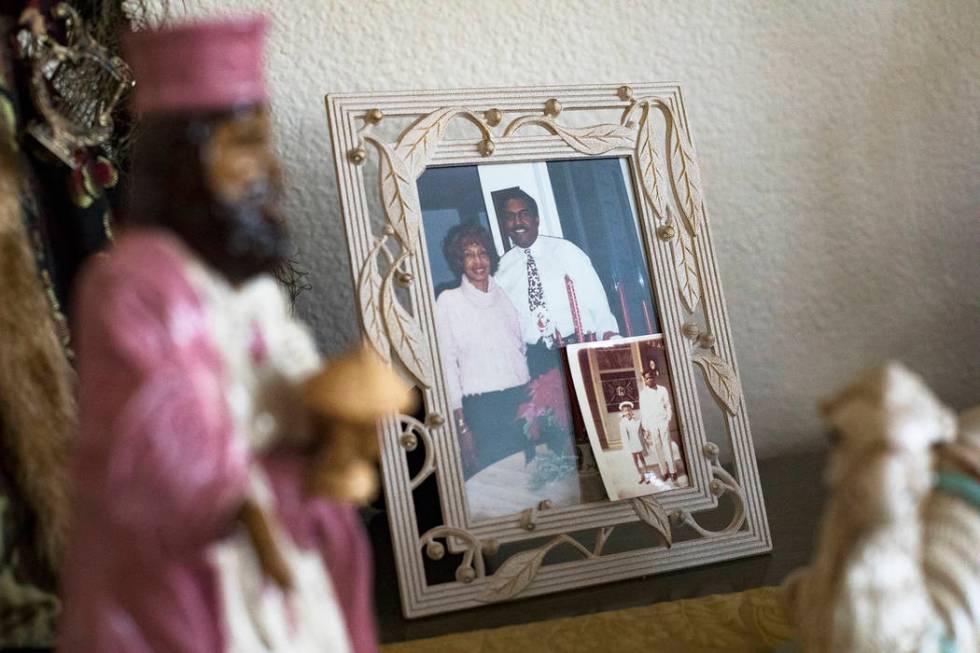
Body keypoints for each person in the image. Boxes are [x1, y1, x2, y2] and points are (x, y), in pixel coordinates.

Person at [60, 17, 376, 652]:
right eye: (245, 145)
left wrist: (330, 416)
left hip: (282, 527)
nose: (270, 172)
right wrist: (246, 506)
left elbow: (286, 373)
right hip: (197, 557)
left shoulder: (249, 286)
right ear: (187, 162)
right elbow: (152, 443)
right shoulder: (133, 288)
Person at [434, 223, 531, 478]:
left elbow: (521, 347)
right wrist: (462, 427)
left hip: (520, 400)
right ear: (459, 261)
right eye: (469, 254)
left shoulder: (507, 295)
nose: (478, 262)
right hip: (481, 410)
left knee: (531, 478)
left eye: (483, 253)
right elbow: (447, 365)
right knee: (496, 481)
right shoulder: (448, 301)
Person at [494, 187, 620, 377]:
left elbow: (597, 302)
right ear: (504, 224)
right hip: (534, 361)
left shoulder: (565, 251)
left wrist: (609, 335)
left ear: (536, 219)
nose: (517, 222)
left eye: (524, 214)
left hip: (576, 347)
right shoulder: (501, 269)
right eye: (510, 217)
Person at [639, 366, 677, 482]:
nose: (649, 380)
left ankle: (673, 471)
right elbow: (643, 411)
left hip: (663, 421)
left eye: (650, 377)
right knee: (657, 447)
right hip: (651, 423)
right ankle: (664, 472)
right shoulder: (643, 393)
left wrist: (668, 418)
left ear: (654, 377)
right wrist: (645, 427)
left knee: (667, 445)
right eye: (646, 379)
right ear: (644, 380)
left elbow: (668, 405)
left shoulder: (662, 389)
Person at [617, 401, 648, 484]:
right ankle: (640, 475)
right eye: (625, 410)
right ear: (623, 412)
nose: (628, 412)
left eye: (629, 410)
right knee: (635, 459)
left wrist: (645, 435)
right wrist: (626, 446)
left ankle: (646, 474)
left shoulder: (637, 420)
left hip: (638, 441)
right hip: (630, 442)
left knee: (641, 457)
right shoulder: (622, 422)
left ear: (632, 411)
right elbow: (624, 436)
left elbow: (642, 430)